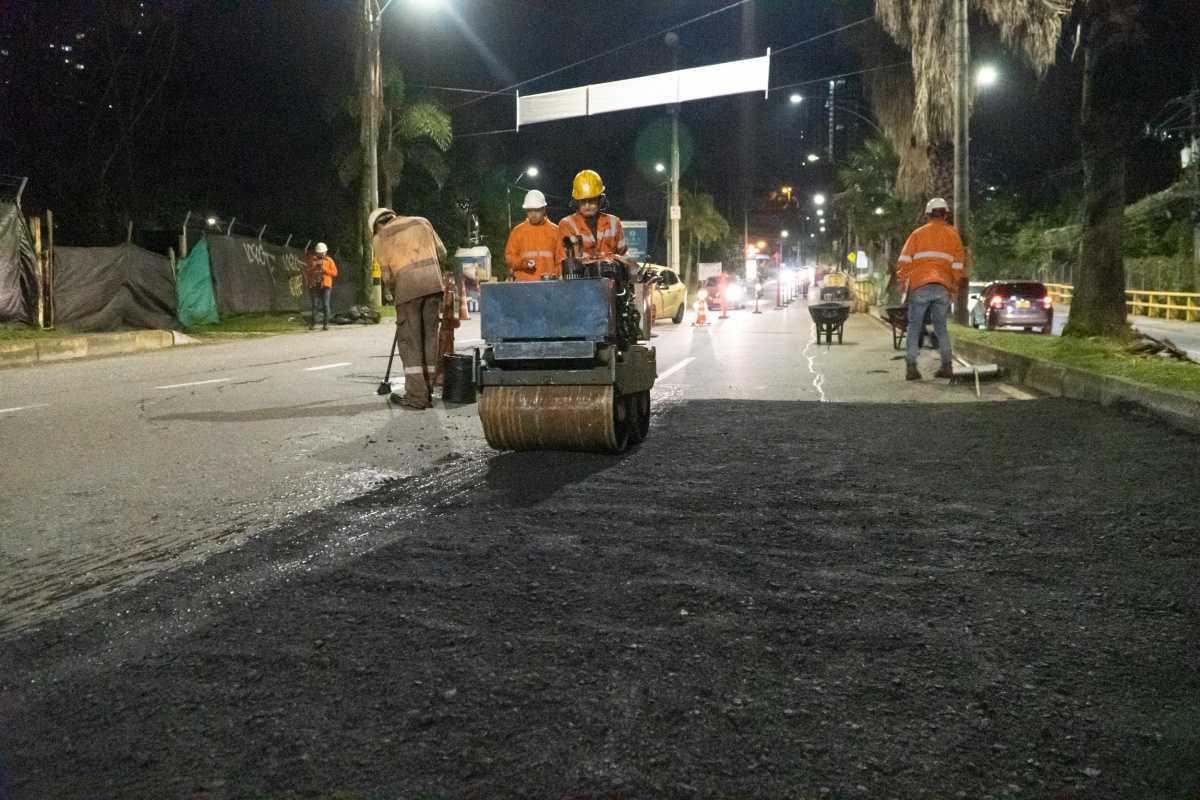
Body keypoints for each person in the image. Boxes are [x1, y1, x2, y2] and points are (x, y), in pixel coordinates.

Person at [368, 207, 446, 410]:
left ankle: (416, 397)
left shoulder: (380, 238)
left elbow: (387, 275)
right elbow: (442, 253)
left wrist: (397, 295)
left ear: (376, 225)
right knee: (429, 339)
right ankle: (428, 390)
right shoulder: (422, 221)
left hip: (407, 290)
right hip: (433, 285)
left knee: (411, 343)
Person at [898, 197, 967, 381]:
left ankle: (911, 368)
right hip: (942, 286)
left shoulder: (917, 234)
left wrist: (902, 282)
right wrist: (953, 289)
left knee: (914, 327)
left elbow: (904, 261)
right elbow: (958, 266)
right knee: (941, 328)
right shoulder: (953, 235)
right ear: (945, 214)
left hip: (920, 286)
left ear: (928, 214)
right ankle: (947, 366)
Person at [558, 169, 627, 261]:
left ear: (600, 200)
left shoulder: (614, 222)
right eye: (583, 201)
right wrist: (605, 259)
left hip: (612, 275)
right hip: (581, 275)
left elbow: (624, 255)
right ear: (576, 202)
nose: (587, 206)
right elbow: (568, 260)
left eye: (592, 201)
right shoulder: (567, 224)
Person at [504, 189, 564, 281]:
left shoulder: (555, 231)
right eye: (530, 211)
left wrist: (556, 275)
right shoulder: (517, 232)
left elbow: (561, 259)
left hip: (548, 283)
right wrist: (523, 263)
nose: (533, 214)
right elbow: (509, 257)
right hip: (524, 285)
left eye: (537, 210)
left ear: (544, 210)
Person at [305, 242, 337, 331]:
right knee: (315, 305)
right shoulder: (312, 260)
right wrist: (314, 268)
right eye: (320, 252)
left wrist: (325, 270)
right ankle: (313, 323)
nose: (321, 254)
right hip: (315, 285)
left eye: (322, 252)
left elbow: (335, 273)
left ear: (325, 252)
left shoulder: (329, 260)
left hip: (326, 286)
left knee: (326, 305)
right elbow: (307, 271)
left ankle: (326, 324)